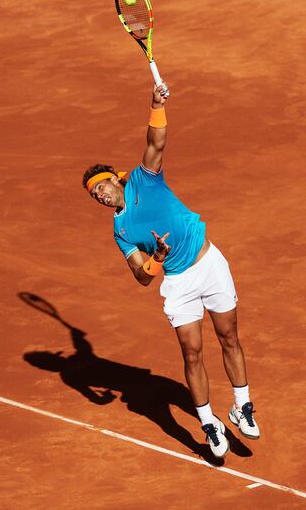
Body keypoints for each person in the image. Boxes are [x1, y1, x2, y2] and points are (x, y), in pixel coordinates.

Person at [82, 83, 260, 458]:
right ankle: (209, 423)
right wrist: (157, 258)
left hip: (209, 262)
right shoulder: (120, 230)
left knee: (229, 336)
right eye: (93, 195)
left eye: (100, 187)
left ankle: (241, 405)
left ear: (115, 179)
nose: (99, 195)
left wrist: (154, 105)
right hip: (178, 282)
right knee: (192, 352)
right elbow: (142, 276)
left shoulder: (145, 178)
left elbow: (156, 141)